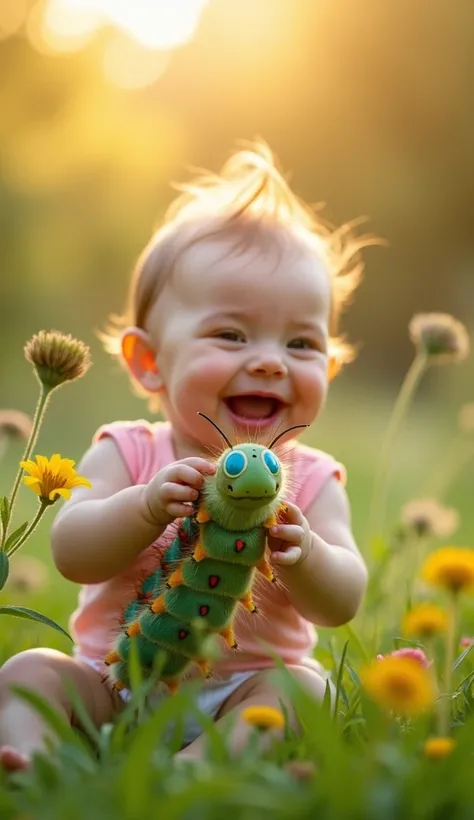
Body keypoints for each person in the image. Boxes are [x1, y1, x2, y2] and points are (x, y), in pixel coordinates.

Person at [0, 142, 368, 771]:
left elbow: (342, 601)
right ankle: (33, 761)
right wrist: (143, 507)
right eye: (231, 333)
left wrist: (306, 554)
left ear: (328, 367)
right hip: (113, 685)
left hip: (240, 697)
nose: (271, 360)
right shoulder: (129, 450)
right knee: (29, 670)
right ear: (149, 362)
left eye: (302, 342)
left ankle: (197, 766)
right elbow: (72, 552)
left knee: (308, 690)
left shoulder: (312, 480)